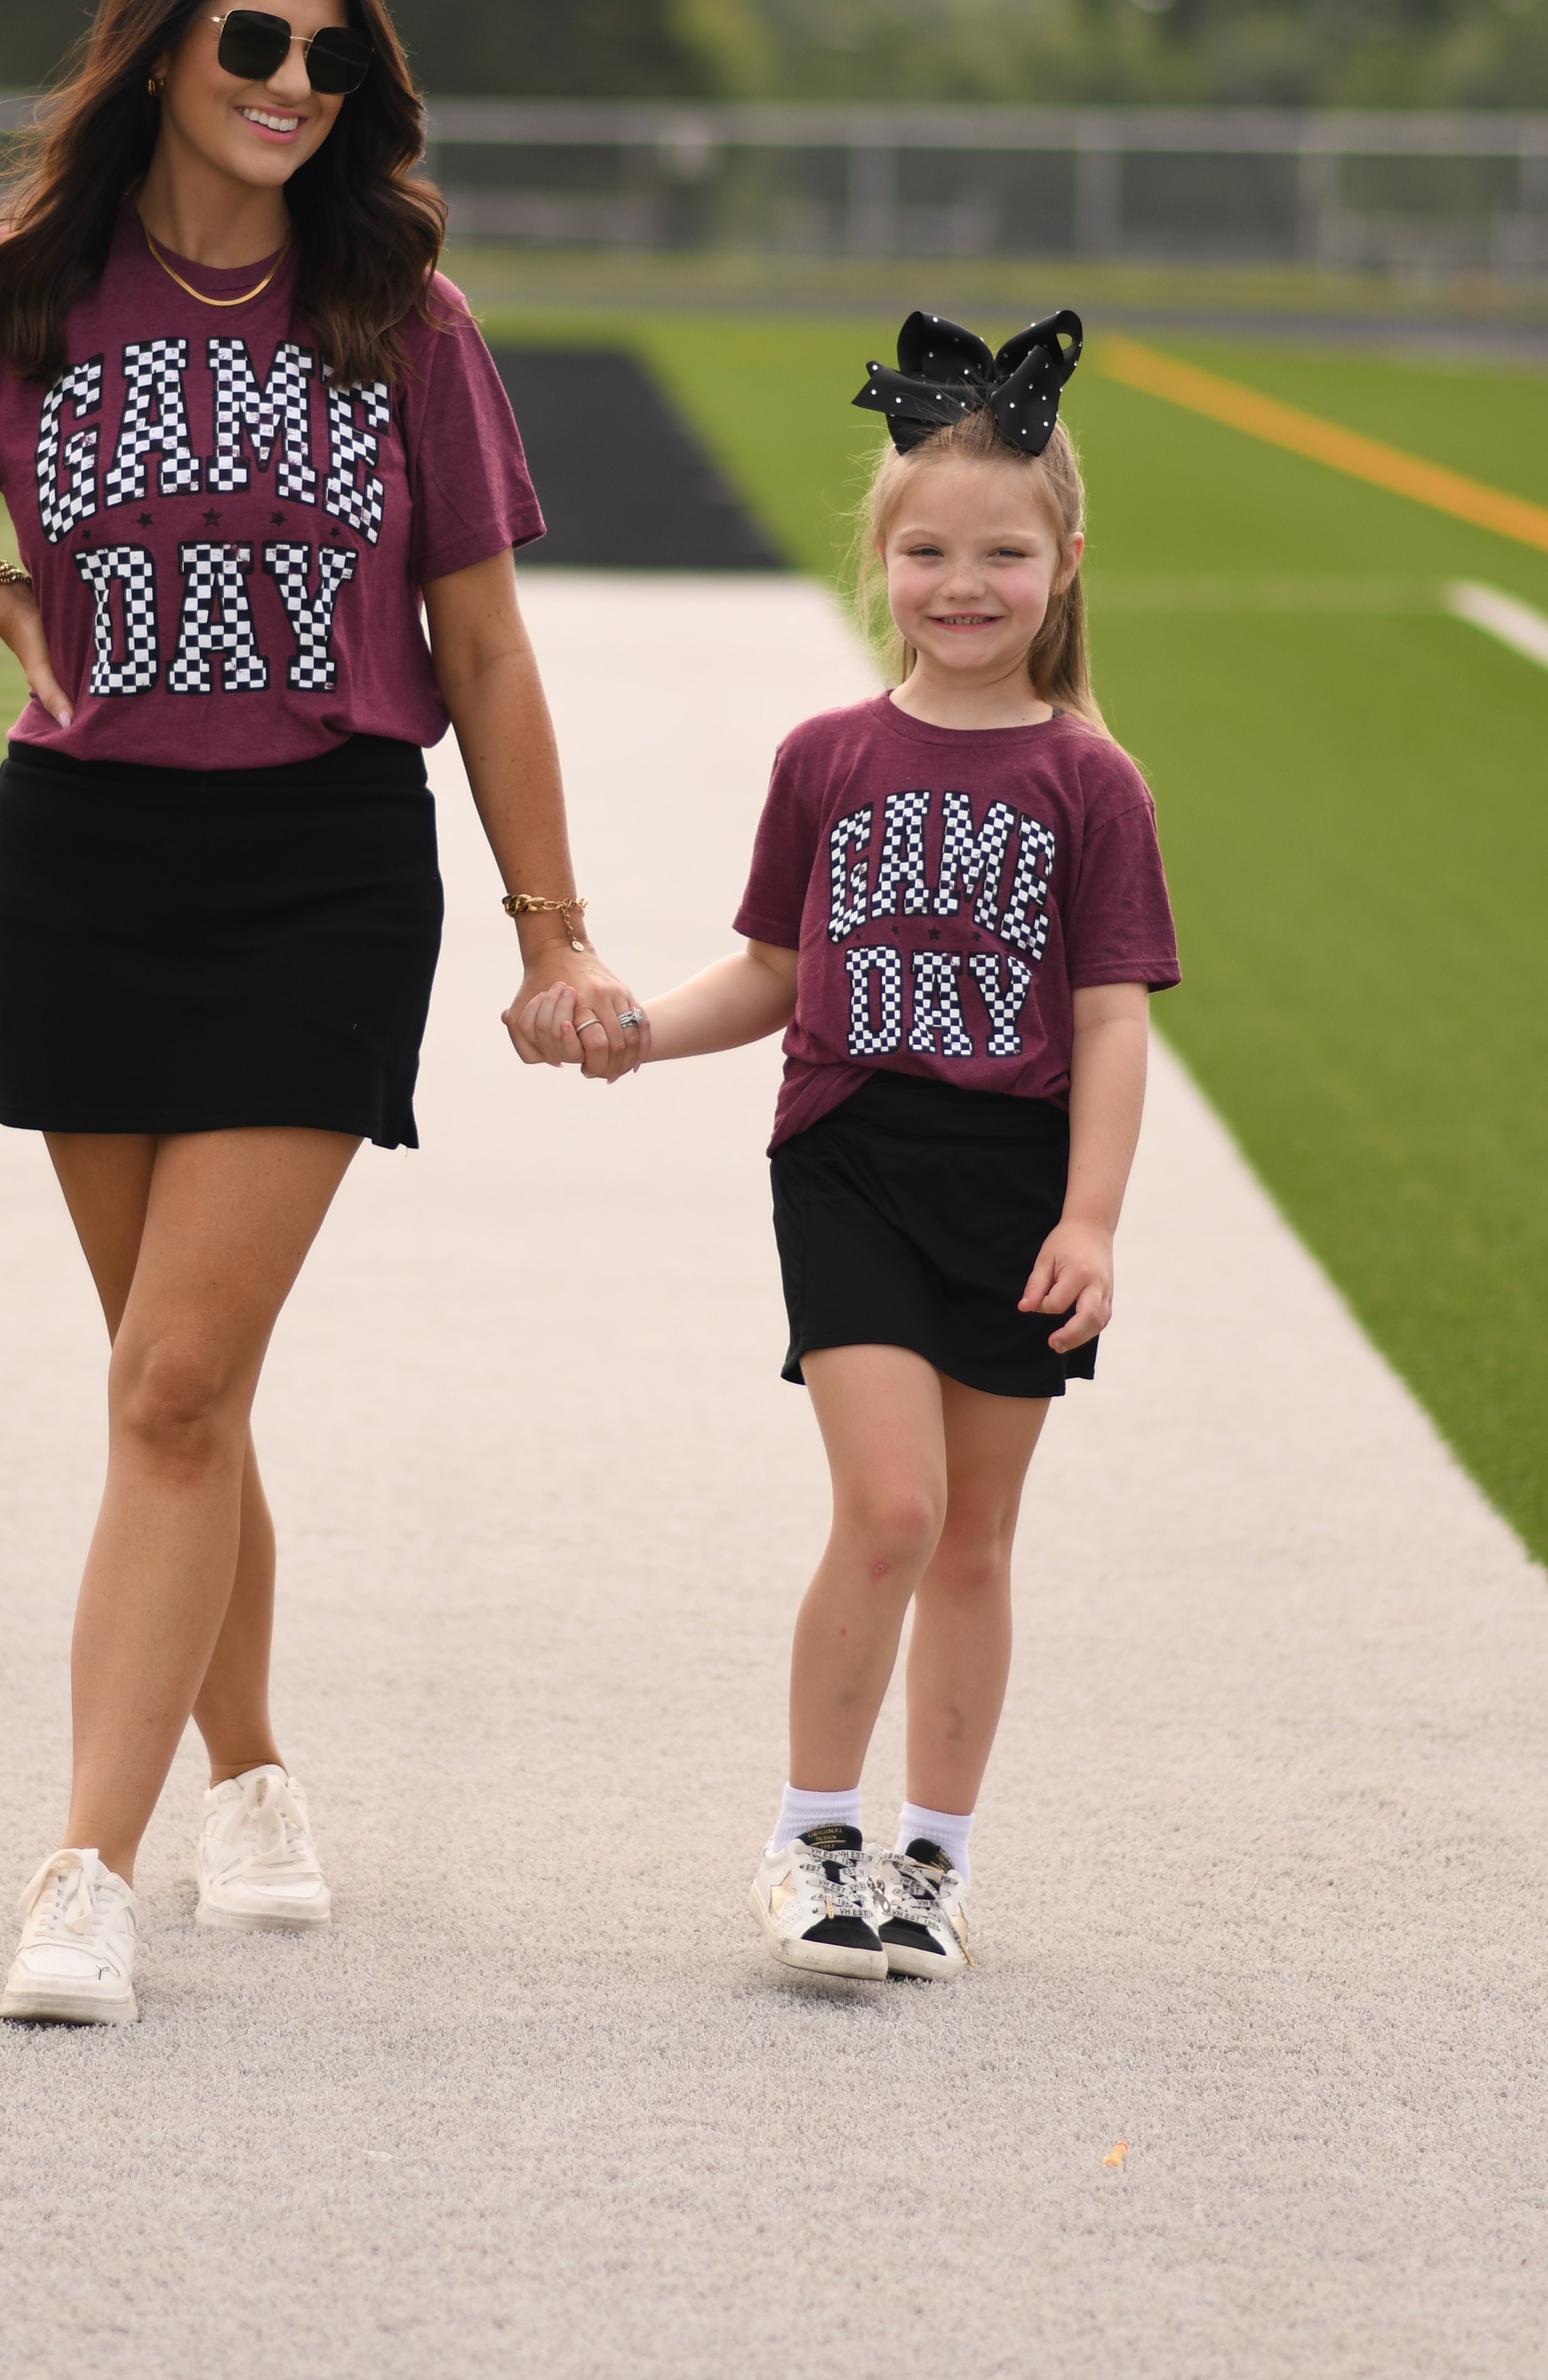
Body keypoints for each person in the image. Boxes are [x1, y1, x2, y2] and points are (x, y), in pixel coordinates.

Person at [0, 0, 644, 2026]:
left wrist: (550, 928)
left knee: (172, 1379)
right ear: (159, 48)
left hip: (323, 864)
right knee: (176, 1392)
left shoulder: (401, 311)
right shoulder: (19, 294)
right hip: (84, 863)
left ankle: (78, 1876)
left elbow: (483, 648)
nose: (296, 85)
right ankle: (255, 1770)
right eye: (255, 43)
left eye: (333, 55)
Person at [512, 312, 1178, 1980]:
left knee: (977, 1538)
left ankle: (932, 1863)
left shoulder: (1093, 783)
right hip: (851, 1156)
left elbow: (1110, 1016)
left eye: (1004, 554)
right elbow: (775, 975)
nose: (966, 584)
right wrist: (641, 1035)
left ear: (1064, 561)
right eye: (932, 550)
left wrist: (1092, 1219)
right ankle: (815, 1838)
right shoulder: (827, 758)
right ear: (882, 558)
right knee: (890, 1507)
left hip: (1015, 1178)